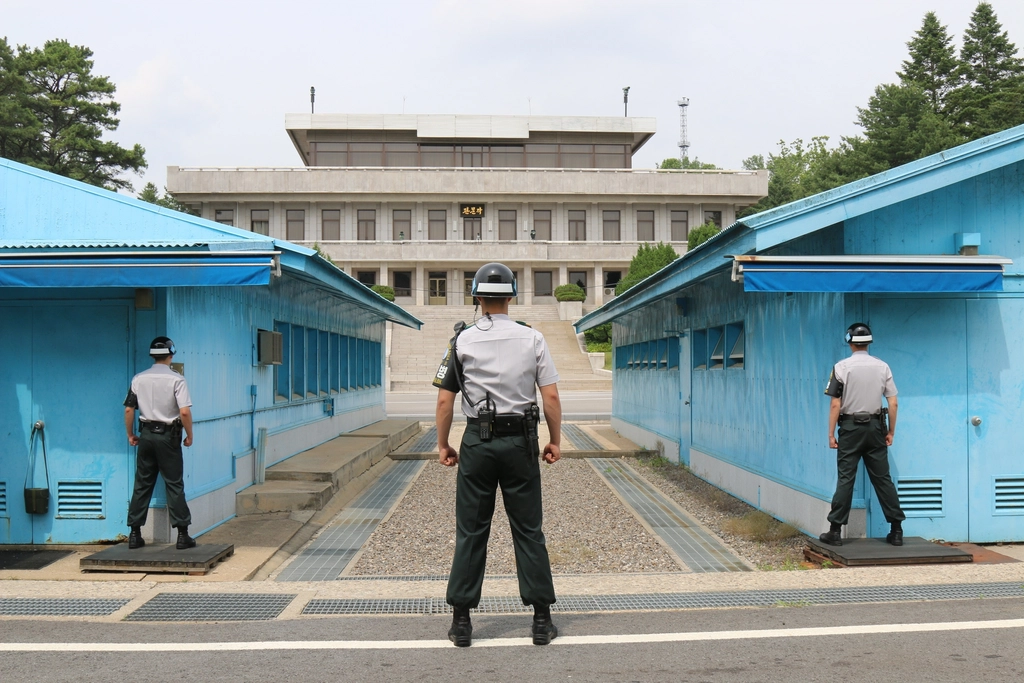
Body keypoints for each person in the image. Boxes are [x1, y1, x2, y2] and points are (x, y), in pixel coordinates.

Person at [433, 262, 561, 648]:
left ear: (476, 297)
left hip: (479, 441)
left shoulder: (461, 341)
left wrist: (444, 444)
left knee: (472, 530)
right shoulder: (533, 338)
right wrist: (554, 440)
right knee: (528, 530)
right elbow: (550, 396)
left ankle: (461, 622)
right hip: (521, 442)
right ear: (512, 296)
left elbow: (444, 401)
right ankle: (540, 620)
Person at [820, 323, 905, 547]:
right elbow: (893, 402)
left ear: (849, 341)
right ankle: (896, 530)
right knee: (883, 479)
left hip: (849, 428)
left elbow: (835, 404)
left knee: (846, 478)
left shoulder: (841, 367)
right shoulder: (883, 366)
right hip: (876, 428)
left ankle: (835, 531)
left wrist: (831, 434)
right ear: (869, 341)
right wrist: (891, 431)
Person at [123, 337, 197, 550]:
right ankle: (182, 535)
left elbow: (129, 409)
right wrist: (189, 435)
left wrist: (130, 434)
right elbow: (184, 411)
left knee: (142, 483)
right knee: (174, 483)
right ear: (171, 354)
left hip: (146, 435)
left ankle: (135, 534)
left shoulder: (139, 379)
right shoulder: (177, 379)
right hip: (168, 437)